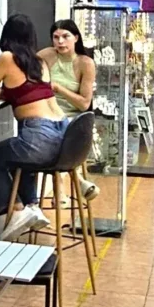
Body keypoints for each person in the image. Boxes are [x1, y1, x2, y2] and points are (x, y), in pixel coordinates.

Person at [0, 14, 69, 241]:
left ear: (6, 36)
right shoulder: (40, 62)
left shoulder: (7, 58)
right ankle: (32, 206)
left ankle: (17, 211)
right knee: (20, 156)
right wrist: (14, 93)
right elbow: (32, 91)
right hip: (65, 136)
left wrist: (6, 94)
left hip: (40, 137)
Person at [39, 19, 98, 201]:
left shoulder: (85, 63)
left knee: (60, 133)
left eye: (65, 36)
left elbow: (84, 104)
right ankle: (77, 180)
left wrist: (59, 89)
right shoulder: (47, 55)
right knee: (48, 129)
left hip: (73, 118)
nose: (60, 42)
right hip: (48, 114)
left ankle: (62, 188)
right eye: (56, 37)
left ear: (76, 38)